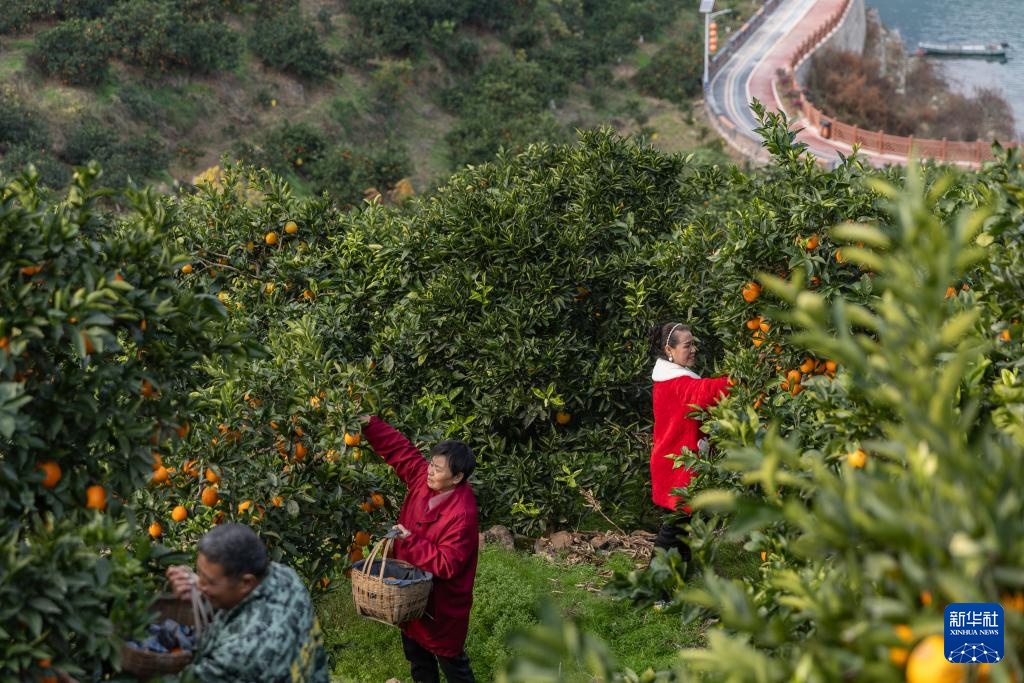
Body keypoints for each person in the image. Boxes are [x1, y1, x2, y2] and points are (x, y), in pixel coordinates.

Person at [362, 415, 479, 683]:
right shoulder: (423, 480)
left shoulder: (462, 513)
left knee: (452, 662)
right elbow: (400, 451)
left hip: (441, 603)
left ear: (457, 477)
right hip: (411, 592)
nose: (429, 471)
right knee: (417, 656)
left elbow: (448, 563)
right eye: (431, 463)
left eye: (438, 469)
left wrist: (409, 540)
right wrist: (369, 424)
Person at [165, 523, 329, 682]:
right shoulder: (285, 577)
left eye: (208, 581)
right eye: (199, 574)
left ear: (246, 583)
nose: (199, 585)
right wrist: (200, 587)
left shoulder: (241, 653)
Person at [648, 322, 731, 561]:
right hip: (676, 469)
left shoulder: (675, 378)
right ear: (669, 350)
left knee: (681, 529)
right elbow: (705, 393)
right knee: (673, 531)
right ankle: (655, 589)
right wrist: (742, 378)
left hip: (675, 466)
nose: (693, 349)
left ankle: (675, 581)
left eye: (693, 344)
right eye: (687, 345)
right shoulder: (675, 383)